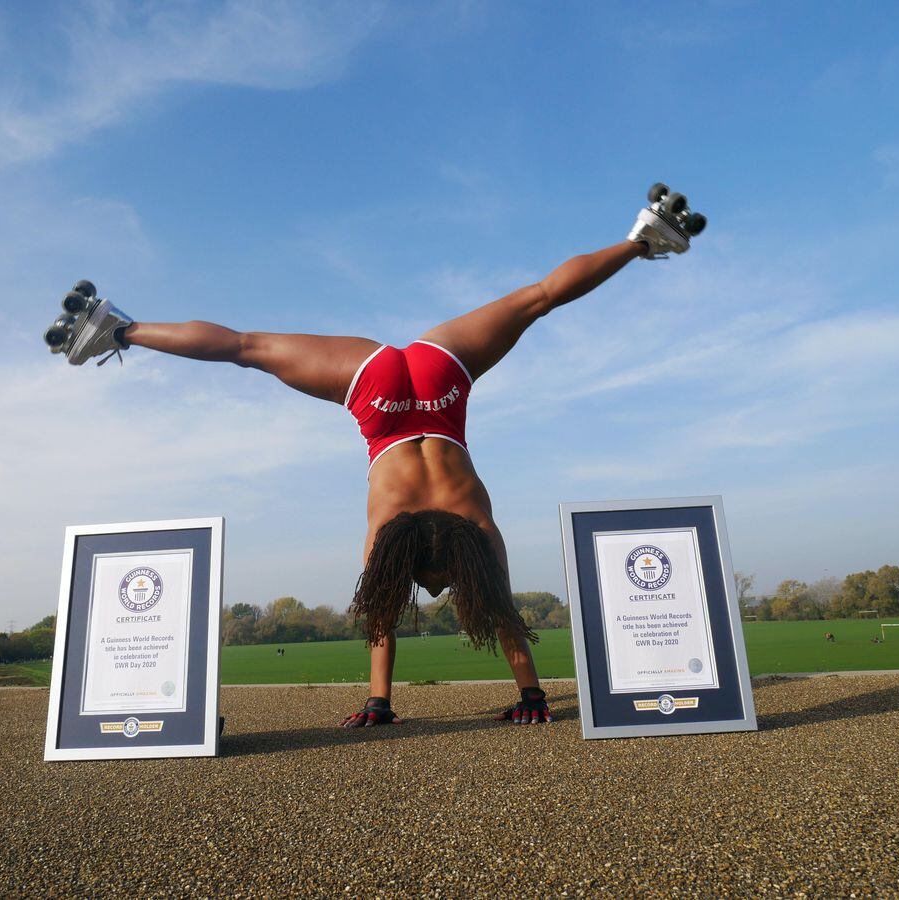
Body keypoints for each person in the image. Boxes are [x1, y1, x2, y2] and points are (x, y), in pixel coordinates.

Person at [50, 189, 699, 727]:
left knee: (536, 298)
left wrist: (527, 697)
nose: (439, 590)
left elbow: (501, 614)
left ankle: (644, 239)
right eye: (444, 588)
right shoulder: (391, 529)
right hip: (375, 392)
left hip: (434, 370)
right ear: (435, 569)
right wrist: (378, 701)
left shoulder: (472, 520)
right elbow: (387, 618)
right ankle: (121, 328)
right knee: (246, 349)